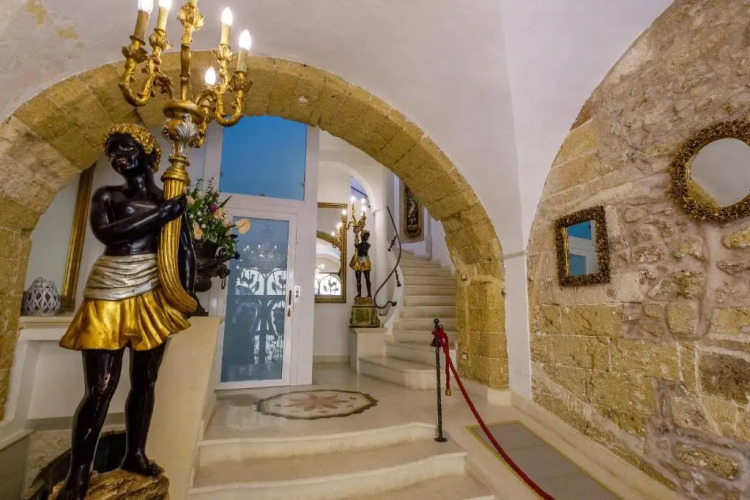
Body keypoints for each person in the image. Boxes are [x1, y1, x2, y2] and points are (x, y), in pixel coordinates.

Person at [56, 123, 196, 500]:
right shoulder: (108, 195)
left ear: (148, 153)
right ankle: (78, 475)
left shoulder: (170, 198)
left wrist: (185, 296)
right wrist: (163, 214)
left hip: (154, 292)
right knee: (101, 387)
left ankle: (135, 454)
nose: (119, 157)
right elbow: (109, 233)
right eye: (113, 152)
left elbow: (184, 249)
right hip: (110, 289)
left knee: (145, 380)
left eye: (127, 148)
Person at [349, 230, 372, 297]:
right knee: (358, 279)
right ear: (362, 236)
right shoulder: (358, 245)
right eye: (365, 235)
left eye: (367, 235)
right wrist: (356, 235)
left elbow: (363, 249)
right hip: (359, 259)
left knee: (367, 278)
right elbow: (357, 246)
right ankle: (359, 294)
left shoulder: (367, 245)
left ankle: (369, 293)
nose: (367, 237)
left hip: (365, 259)